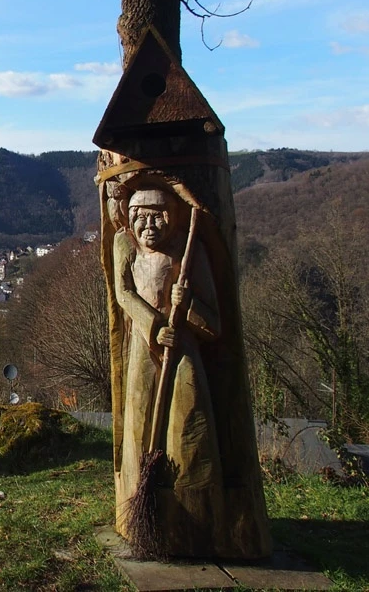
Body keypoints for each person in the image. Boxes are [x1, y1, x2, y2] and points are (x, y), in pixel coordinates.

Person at [113, 186, 227, 557]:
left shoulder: (189, 253)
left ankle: (196, 515)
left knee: (189, 423)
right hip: (144, 350)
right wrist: (152, 326)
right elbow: (124, 293)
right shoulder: (124, 246)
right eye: (141, 218)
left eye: (157, 217)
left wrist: (187, 302)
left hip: (182, 351)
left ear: (172, 218)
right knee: (140, 422)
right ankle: (140, 505)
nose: (148, 226)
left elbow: (214, 325)